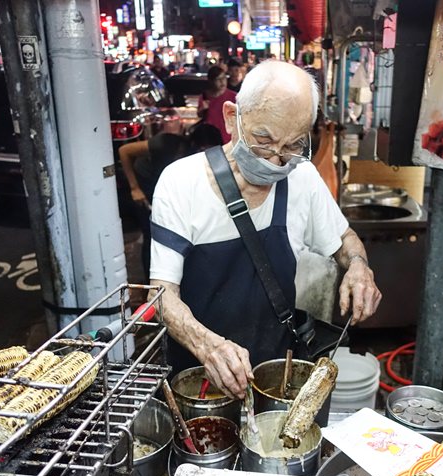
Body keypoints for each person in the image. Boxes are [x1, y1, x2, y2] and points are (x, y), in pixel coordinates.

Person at [149, 60, 382, 398]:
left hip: (276, 376)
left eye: (292, 146)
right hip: (198, 380)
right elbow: (161, 296)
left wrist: (359, 267)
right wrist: (208, 346)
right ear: (232, 118)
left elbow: (344, 239)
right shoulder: (181, 183)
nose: (275, 160)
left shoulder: (302, 178)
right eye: (263, 140)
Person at [119, 124, 223, 279]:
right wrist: (135, 188)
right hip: (145, 189)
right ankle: (153, 284)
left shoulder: (214, 159)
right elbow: (124, 151)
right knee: (154, 236)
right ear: (193, 144)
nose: (207, 154)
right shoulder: (166, 143)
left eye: (212, 150)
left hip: (167, 188)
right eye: (203, 150)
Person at [197, 66, 237, 145]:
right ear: (211, 81)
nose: (222, 82)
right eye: (218, 79)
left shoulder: (234, 97)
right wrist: (203, 109)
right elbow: (200, 115)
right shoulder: (205, 96)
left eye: (224, 78)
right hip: (211, 142)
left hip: (229, 141)